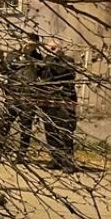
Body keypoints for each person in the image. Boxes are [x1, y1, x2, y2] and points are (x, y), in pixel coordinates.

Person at [0, 37, 43, 158]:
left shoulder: (38, 58)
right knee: (4, 124)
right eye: (27, 44)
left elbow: (42, 74)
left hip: (28, 96)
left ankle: (21, 154)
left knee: (26, 126)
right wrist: (10, 60)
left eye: (32, 45)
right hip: (13, 95)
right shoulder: (13, 55)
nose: (29, 47)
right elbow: (3, 71)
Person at [39, 39, 78, 170]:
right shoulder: (45, 61)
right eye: (49, 49)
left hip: (64, 100)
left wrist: (52, 58)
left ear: (60, 49)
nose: (51, 51)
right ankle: (56, 160)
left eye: (54, 48)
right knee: (50, 132)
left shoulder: (67, 60)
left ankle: (68, 162)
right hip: (49, 101)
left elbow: (61, 72)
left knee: (65, 132)